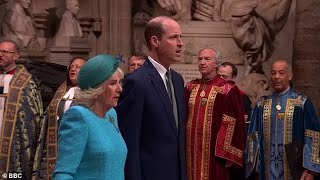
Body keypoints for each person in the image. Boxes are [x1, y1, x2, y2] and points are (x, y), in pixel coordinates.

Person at [116, 16, 187, 180]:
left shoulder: (177, 80)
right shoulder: (137, 82)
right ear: (155, 41)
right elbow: (130, 141)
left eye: (180, 37)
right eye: (173, 37)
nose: (180, 43)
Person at [52, 54, 127, 179]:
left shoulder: (111, 115)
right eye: (113, 83)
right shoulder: (78, 116)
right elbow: (64, 173)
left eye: (120, 83)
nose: (120, 89)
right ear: (97, 88)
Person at [246, 59, 320, 180]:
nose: (277, 77)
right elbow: (253, 136)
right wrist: (253, 166)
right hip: (266, 170)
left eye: (281, 73)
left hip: (294, 169)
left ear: (290, 76)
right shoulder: (262, 104)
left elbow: (313, 135)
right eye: (273, 73)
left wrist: (310, 168)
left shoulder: (301, 103)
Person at [185, 48, 246, 180]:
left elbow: (235, 121)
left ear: (216, 64)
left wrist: (229, 153)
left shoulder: (227, 89)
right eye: (200, 59)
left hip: (215, 155)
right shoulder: (191, 87)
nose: (202, 62)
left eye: (207, 59)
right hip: (191, 151)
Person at [33, 57, 86, 179]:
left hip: (76, 141)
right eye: (71, 67)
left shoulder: (90, 93)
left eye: (78, 67)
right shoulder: (61, 91)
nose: (73, 69)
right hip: (56, 141)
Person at [0, 39, 43, 179]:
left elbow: (33, 115)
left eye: (5, 52)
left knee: (12, 175)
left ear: (16, 56)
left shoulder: (26, 81)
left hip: (14, 141)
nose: (1, 54)